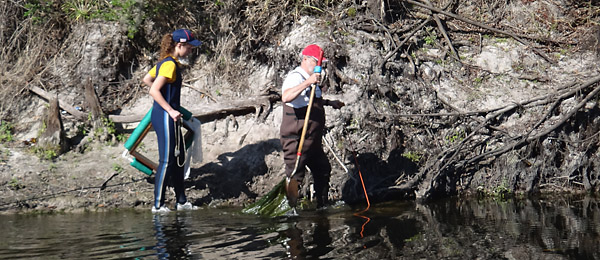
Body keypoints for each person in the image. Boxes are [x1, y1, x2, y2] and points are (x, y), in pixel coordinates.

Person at [143, 29, 201, 213]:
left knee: (177, 160)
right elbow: (153, 90)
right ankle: (158, 205)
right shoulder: (169, 65)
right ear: (179, 45)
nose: (191, 51)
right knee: (167, 160)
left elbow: (147, 79)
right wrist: (169, 109)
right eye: (189, 47)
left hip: (167, 115)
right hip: (164, 116)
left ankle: (181, 201)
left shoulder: (167, 63)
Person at [280, 44, 344, 209]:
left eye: (321, 63)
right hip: (297, 138)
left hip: (312, 139)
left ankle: (321, 206)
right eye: (316, 62)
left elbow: (310, 101)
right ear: (305, 59)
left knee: (323, 169)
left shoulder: (315, 79)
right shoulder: (296, 77)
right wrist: (308, 82)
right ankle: (289, 211)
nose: (319, 66)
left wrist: (330, 102)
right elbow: (286, 97)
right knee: (295, 175)